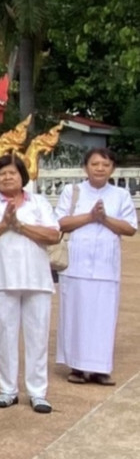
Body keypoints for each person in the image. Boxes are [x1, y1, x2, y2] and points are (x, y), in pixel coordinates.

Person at [0, 154, 59, 411]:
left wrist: (20, 226)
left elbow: (53, 234)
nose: (7, 177)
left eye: (12, 173)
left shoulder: (38, 202)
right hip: (3, 278)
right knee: (5, 337)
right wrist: (5, 223)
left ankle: (38, 392)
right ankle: (7, 389)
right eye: (2, 173)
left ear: (22, 176)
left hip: (37, 279)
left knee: (38, 337)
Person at [56, 147, 138, 385]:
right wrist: (90, 217)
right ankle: (77, 367)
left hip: (105, 266)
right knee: (76, 315)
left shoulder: (120, 195)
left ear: (112, 168)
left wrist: (105, 219)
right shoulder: (73, 192)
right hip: (76, 265)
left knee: (102, 317)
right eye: (95, 164)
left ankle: (100, 368)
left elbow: (130, 228)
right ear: (86, 167)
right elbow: (61, 222)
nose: (100, 169)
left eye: (105, 164)